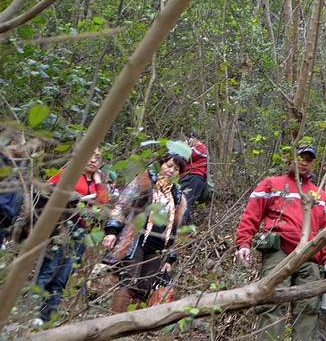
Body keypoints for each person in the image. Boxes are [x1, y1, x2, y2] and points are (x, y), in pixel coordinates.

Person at [235, 145, 326, 341]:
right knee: (272, 301)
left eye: (308, 159)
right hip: (278, 250)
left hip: (310, 254)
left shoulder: (320, 195)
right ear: (289, 159)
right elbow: (251, 215)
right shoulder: (272, 184)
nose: (304, 162)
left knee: (309, 305)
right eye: (300, 157)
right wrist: (243, 242)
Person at [102, 153, 188, 313]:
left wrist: (170, 258)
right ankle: (113, 327)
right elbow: (122, 205)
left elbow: (176, 227)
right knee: (129, 282)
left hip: (157, 248)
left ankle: (130, 331)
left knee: (144, 288)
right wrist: (112, 231)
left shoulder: (177, 196)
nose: (171, 171)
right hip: (135, 240)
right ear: (161, 164)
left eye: (176, 169)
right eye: (169, 166)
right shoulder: (145, 181)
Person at [34, 149, 110, 322]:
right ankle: (31, 312)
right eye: (90, 155)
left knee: (63, 275)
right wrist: (72, 197)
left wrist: (98, 183)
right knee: (49, 269)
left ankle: (46, 316)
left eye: (97, 158)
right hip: (60, 226)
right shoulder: (69, 173)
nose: (93, 160)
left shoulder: (98, 181)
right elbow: (46, 189)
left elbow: (103, 202)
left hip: (82, 231)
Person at [179, 134, 210, 227]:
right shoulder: (195, 148)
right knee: (185, 201)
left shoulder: (201, 148)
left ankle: (180, 227)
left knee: (184, 202)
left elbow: (188, 154)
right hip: (190, 178)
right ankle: (185, 226)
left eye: (190, 139)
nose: (190, 141)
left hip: (194, 178)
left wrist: (186, 147)